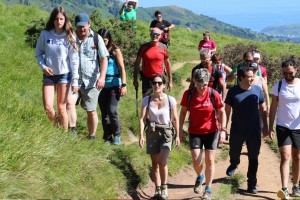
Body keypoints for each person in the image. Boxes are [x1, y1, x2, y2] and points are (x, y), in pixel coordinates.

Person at [179, 68, 226, 200]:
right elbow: (183, 112)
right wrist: (179, 131)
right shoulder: (188, 94)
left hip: (212, 130)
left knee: (209, 160)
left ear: (208, 82)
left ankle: (208, 189)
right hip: (195, 130)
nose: (201, 88)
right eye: (198, 84)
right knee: (196, 160)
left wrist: (223, 130)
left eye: (204, 85)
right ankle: (200, 176)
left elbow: (222, 112)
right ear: (194, 81)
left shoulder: (213, 93)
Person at [224, 66, 268, 194]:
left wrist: (265, 126)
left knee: (253, 157)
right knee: (234, 152)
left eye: (253, 76)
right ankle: (234, 162)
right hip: (237, 130)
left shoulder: (257, 90)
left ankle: (252, 183)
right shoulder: (232, 91)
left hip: (254, 131)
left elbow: (263, 109)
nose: (252, 78)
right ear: (241, 78)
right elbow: (227, 111)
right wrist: (223, 129)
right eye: (249, 77)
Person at [35, 7, 79, 131]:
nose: (59, 21)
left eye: (61, 19)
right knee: (48, 107)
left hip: (64, 75)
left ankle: (63, 135)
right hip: (48, 75)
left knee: (61, 107)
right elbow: (38, 53)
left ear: (65, 20)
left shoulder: (70, 36)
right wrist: (43, 67)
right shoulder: (45, 34)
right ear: (52, 20)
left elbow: (74, 60)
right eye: (56, 19)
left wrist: (75, 81)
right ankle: (56, 128)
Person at [139, 74, 180, 200]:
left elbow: (175, 119)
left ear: (164, 85)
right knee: (155, 164)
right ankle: (157, 190)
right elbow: (142, 119)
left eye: (159, 83)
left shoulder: (170, 99)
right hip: (152, 132)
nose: (156, 85)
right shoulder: (146, 100)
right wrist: (141, 135)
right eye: (154, 83)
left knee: (162, 161)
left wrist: (178, 135)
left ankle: (164, 187)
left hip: (167, 133)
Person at [269, 59, 300, 199]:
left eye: (291, 72)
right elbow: (273, 107)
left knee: (297, 157)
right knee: (285, 156)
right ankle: (284, 188)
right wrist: (270, 126)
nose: (288, 75)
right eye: (285, 72)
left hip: (298, 127)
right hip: (282, 126)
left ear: (296, 71)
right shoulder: (278, 85)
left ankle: (296, 186)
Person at [74, 13, 109, 139]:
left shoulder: (96, 38)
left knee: (91, 110)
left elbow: (104, 58)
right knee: (68, 103)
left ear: (89, 24)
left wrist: (102, 77)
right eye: (79, 27)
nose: (82, 29)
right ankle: (71, 132)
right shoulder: (71, 37)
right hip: (74, 80)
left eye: (84, 26)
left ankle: (91, 136)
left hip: (91, 80)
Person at [97, 28, 127, 145]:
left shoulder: (115, 50)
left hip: (115, 84)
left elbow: (122, 68)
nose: (103, 42)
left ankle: (117, 134)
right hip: (102, 84)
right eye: (101, 40)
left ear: (109, 39)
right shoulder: (96, 50)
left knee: (112, 110)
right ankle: (107, 137)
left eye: (105, 40)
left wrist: (124, 85)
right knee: (104, 112)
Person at [133, 27, 172, 97]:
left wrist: (170, 81)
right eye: (152, 34)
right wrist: (135, 79)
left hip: (160, 78)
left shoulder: (163, 47)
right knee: (146, 102)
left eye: (157, 34)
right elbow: (137, 63)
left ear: (160, 35)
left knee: (161, 100)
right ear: (150, 35)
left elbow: (167, 64)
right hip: (146, 78)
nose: (154, 36)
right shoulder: (143, 47)